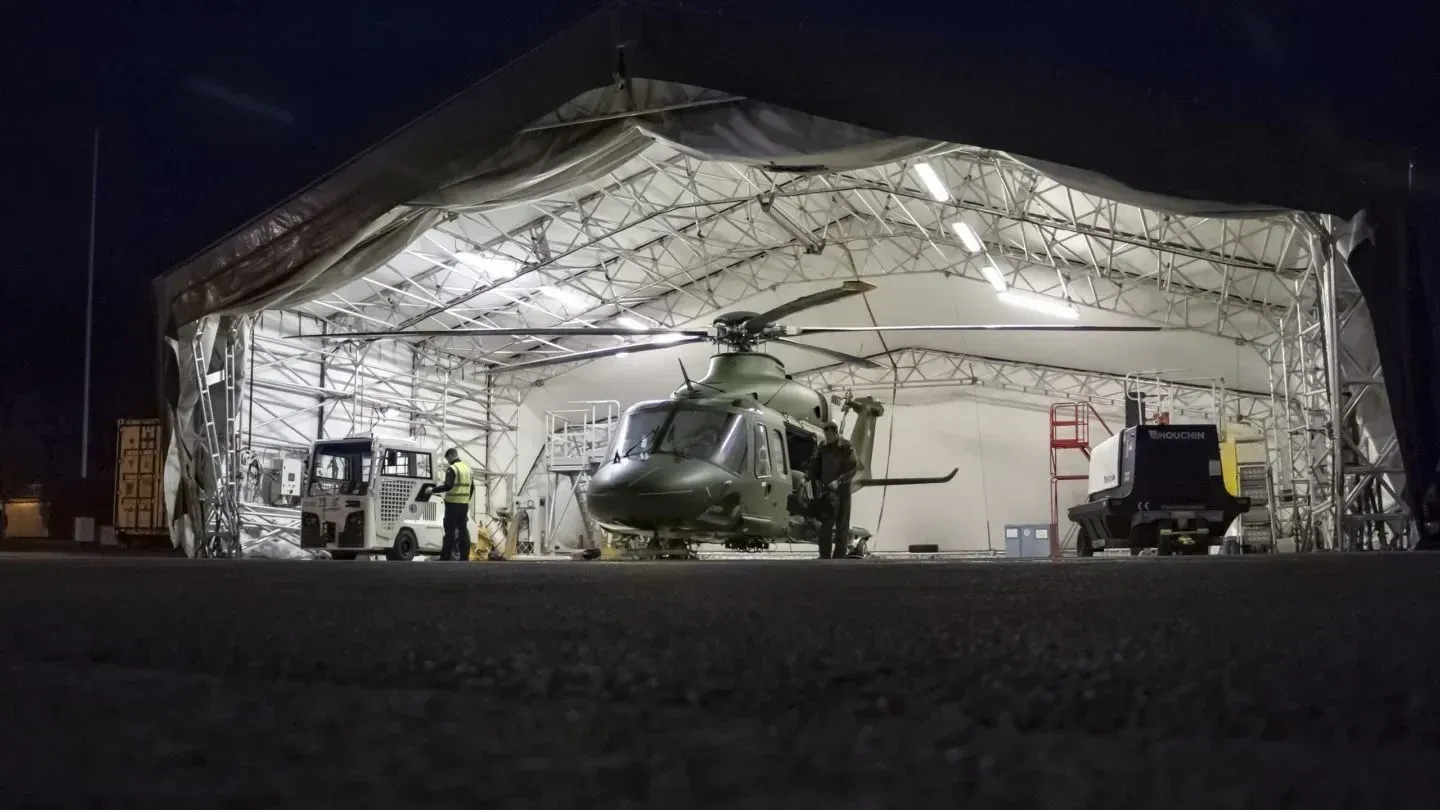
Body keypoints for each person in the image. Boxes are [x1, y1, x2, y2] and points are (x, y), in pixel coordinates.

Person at [807, 422, 857, 559]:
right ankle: (824, 556)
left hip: (842, 491)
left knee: (842, 524)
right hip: (827, 491)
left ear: (836, 433)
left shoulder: (846, 447)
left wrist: (839, 481)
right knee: (826, 523)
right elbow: (814, 465)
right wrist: (806, 478)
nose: (827, 437)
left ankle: (839, 556)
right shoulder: (823, 447)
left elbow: (853, 467)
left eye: (830, 435)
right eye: (826, 434)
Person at [430, 448, 473, 561]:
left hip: (452, 505)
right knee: (463, 531)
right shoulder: (468, 469)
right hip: (464, 505)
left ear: (450, 456)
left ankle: (445, 557)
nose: (447, 461)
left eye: (447, 459)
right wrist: (466, 500)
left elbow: (448, 486)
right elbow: (472, 487)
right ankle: (464, 557)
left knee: (449, 532)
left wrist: (432, 490)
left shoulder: (452, 469)